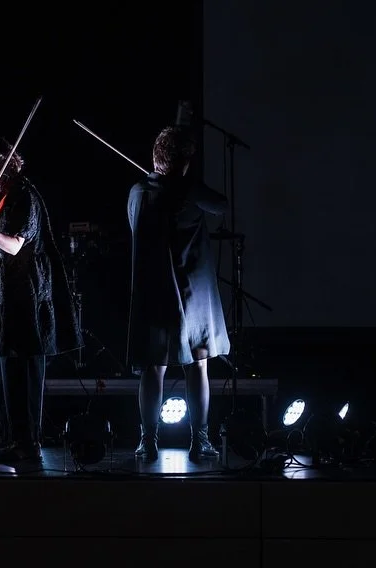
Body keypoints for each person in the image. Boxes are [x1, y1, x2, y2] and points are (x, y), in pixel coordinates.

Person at [0, 137, 82, 465]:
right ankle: (13, 442)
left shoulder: (24, 195)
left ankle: (29, 445)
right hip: (3, 298)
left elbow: (14, 246)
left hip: (26, 297)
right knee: (4, 370)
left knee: (23, 371)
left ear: (11, 161)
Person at [127, 125, 231, 462]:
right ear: (184, 161)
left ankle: (148, 441)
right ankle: (199, 441)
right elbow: (221, 205)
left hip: (155, 292)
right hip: (190, 291)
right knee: (197, 365)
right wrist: (184, 186)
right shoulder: (186, 189)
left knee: (153, 367)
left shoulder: (138, 190)